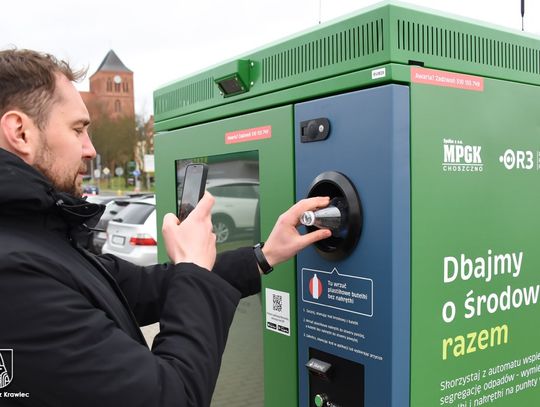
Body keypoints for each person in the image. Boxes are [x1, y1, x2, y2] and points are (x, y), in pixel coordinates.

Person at [0, 48, 331, 407]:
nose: (90, 149)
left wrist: (264, 255)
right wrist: (191, 266)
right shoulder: (14, 276)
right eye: (78, 129)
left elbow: (147, 287)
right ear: (20, 132)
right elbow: (172, 397)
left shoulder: (39, 240)